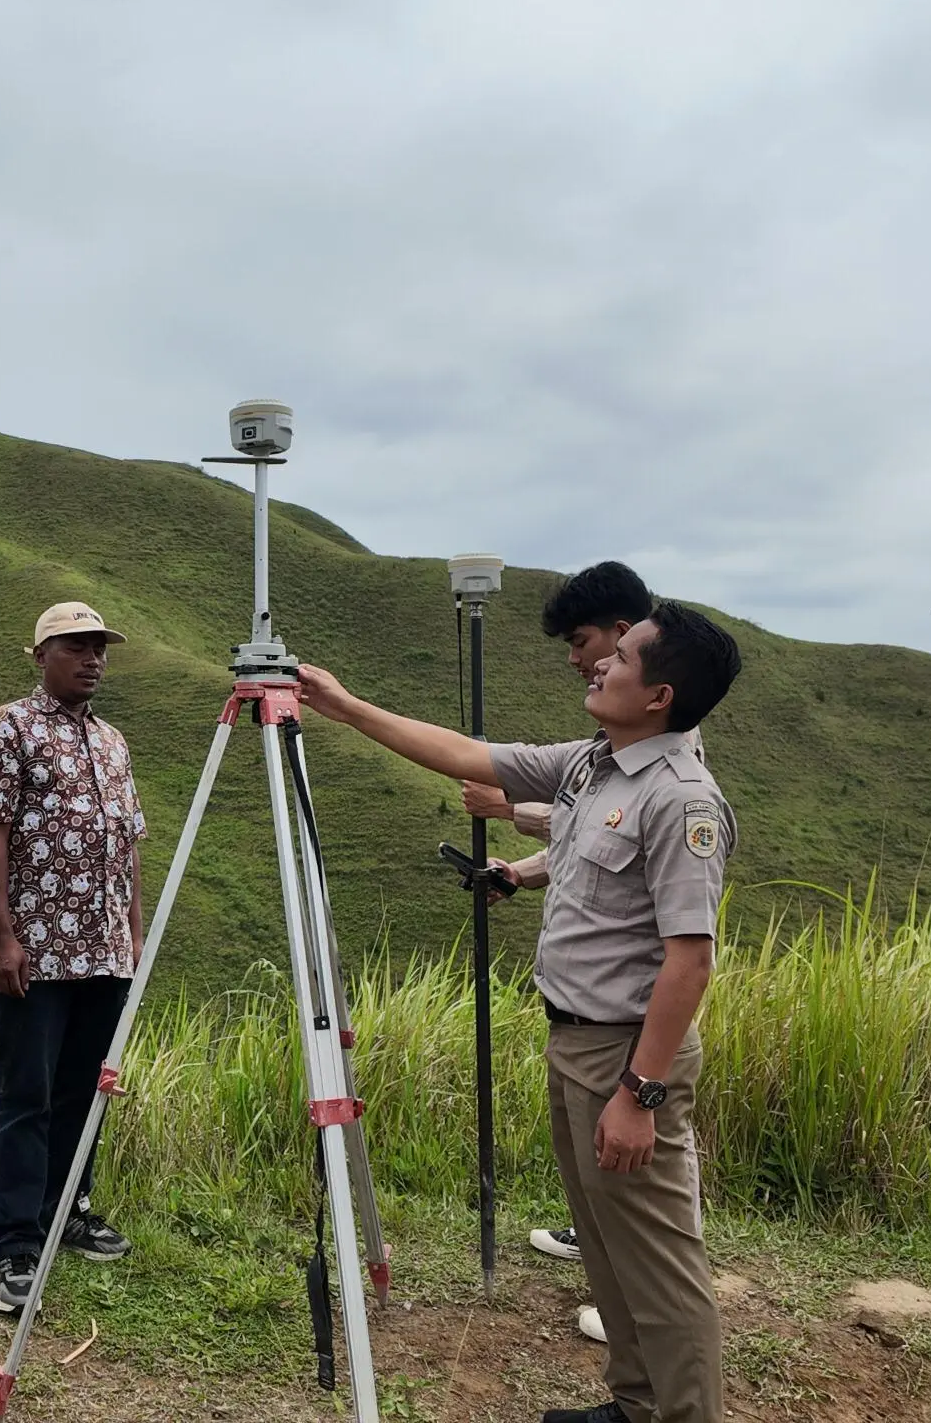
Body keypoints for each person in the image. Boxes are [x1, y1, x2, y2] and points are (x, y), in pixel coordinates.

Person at [299, 600, 743, 1423]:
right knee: (607, 1248)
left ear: (660, 696)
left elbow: (692, 960)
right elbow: (467, 755)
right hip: (575, 1040)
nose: (602, 663)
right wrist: (344, 705)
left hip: (626, 1056)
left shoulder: (682, 801)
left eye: (625, 657)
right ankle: (635, 1402)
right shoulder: (593, 763)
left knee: (659, 1263)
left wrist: (640, 1094)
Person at [457, 561, 698, 1282]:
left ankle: (650, 1327)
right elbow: (587, 847)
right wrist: (519, 871)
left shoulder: (666, 764)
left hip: (623, 1025)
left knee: (653, 1219)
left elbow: (620, 860)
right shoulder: (610, 748)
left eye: (587, 642)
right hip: (582, 1021)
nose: (576, 660)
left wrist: (642, 1088)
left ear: (627, 639)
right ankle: (621, 1307)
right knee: (609, 1199)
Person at [0, 602, 146, 1315]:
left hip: (104, 950)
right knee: (25, 1097)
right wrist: (2, 938)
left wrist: (134, 935)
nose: (93, 658)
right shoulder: (6, 727)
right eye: (76, 647)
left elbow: (127, 844)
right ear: (40, 654)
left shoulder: (112, 742)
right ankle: (13, 1245)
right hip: (36, 954)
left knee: (83, 1091)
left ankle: (66, 1210)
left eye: (100, 647)